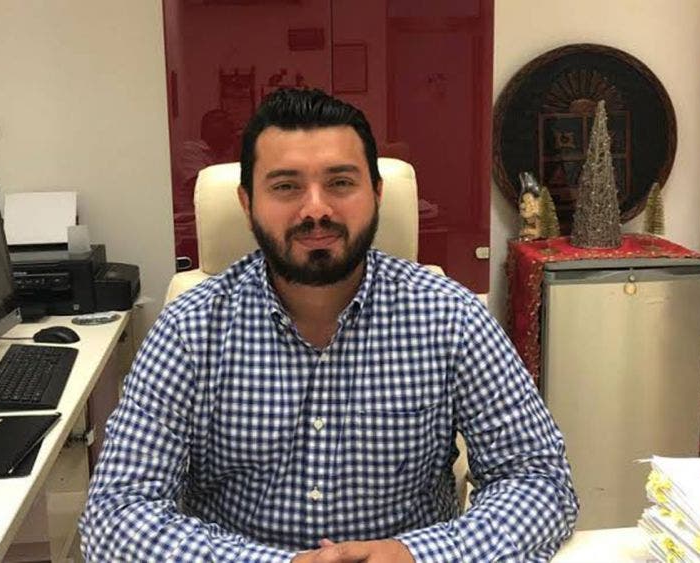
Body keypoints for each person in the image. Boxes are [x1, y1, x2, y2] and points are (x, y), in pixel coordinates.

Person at [80, 89, 578, 561]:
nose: (316, 208)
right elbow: (115, 515)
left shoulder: (450, 317)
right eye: (286, 186)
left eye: (340, 183)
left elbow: (539, 480)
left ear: (376, 194)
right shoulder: (190, 330)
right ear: (247, 204)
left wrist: (418, 554)